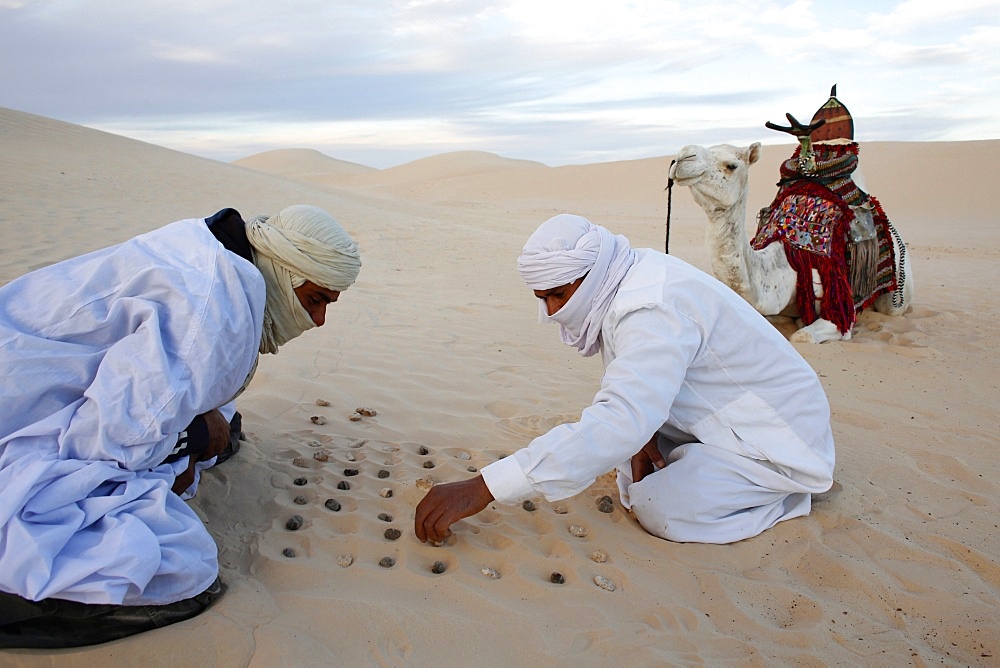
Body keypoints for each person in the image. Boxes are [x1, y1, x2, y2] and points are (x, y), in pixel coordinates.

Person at [0, 205, 361, 648]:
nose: (318, 320)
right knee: (181, 565)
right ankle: (21, 595)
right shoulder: (213, 318)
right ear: (283, 272)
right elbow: (109, 442)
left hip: (45, 373)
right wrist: (190, 441)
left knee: (222, 419)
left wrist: (194, 432)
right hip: (24, 413)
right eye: (315, 300)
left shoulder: (209, 247)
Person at [415, 214, 834, 547]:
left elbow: (620, 418)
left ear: (590, 276)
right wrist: (643, 432)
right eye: (541, 298)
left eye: (557, 295)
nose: (550, 312)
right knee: (625, 460)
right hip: (717, 414)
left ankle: (783, 493)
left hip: (776, 439)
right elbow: (632, 391)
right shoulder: (625, 275)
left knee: (659, 508)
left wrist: (484, 486)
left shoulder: (649, 307)